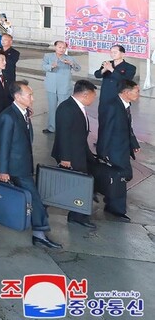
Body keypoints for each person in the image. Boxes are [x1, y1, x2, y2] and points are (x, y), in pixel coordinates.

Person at [0, 81, 62, 249]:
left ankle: (38, 231)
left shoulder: (23, 112)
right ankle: (39, 232)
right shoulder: (8, 116)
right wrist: (3, 170)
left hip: (23, 164)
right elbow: (3, 145)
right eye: (29, 95)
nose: (33, 98)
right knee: (35, 199)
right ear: (17, 97)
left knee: (31, 198)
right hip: (15, 167)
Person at [51, 80, 98, 228]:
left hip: (79, 151)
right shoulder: (67, 108)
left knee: (81, 184)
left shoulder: (77, 107)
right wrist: (65, 158)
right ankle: (78, 216)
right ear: (85, 94)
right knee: (78, 185)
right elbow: (63, 135)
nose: (94, 99)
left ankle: (77, 215)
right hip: (71, 155)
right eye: (93, 96)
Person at [97, 80, 141, 222]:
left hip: (122, 148)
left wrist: (133, 143)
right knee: (120, 178)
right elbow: (105, 129)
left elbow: (128, 127)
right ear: (126, 93)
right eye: (137, 91)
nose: (138, 94)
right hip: (114, 149)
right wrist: (102, 152)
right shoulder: (112, 107)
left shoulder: (125, 105)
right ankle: (116, 209)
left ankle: (111, 203)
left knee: (123, 176)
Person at [42, 40, 81, 134]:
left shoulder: (69, 58)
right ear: (55, 47)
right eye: (59, 47)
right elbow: (43, 66)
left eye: (64, 48)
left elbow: (78, 68)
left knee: (64, 108)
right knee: (52, 108)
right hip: (51, 86)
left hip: (64, 86)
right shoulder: (48, 56)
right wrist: (51, 66)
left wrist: (71, 64)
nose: (61, 49)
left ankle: (65, 127)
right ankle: (52, 127)